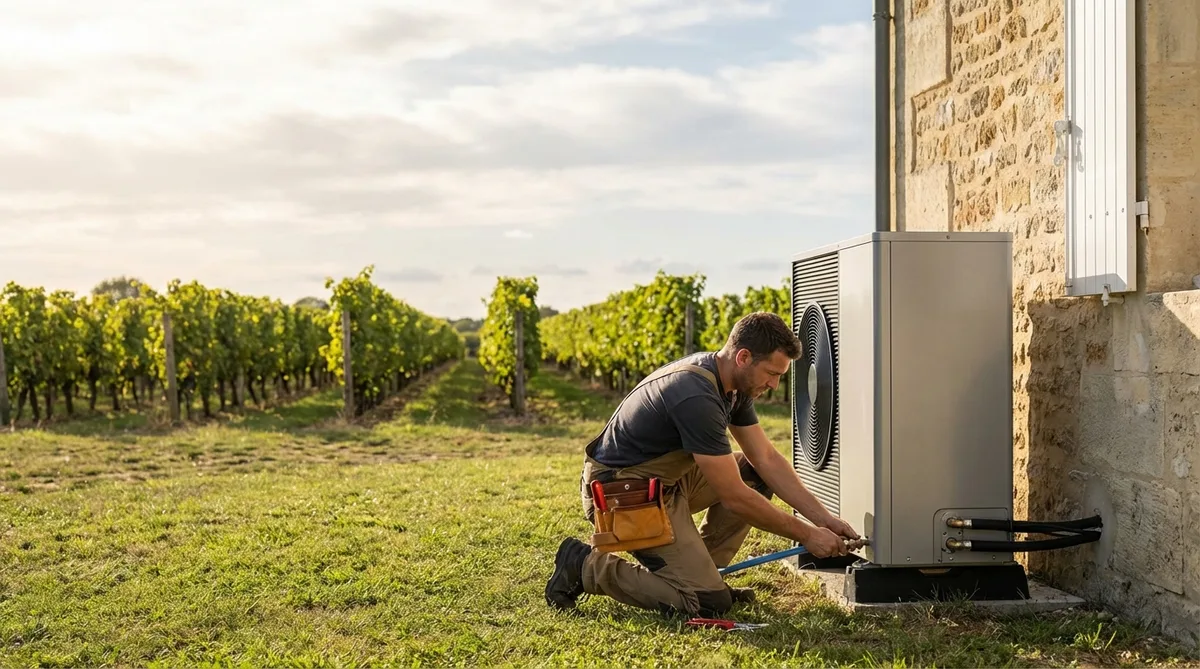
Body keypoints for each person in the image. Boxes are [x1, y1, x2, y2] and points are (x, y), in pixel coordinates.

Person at [544, 311, 863, 617]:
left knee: (753, 473)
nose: (774, 385)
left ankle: (705, 576)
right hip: (623, 493)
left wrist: (824, 519)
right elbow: (733, 496)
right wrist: (807, 535)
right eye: (772, 374)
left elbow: (765, 459)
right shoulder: (696, 396)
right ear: (743, 357)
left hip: (666, 483)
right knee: (705, 603)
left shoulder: (731, 386)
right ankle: (586, 566)